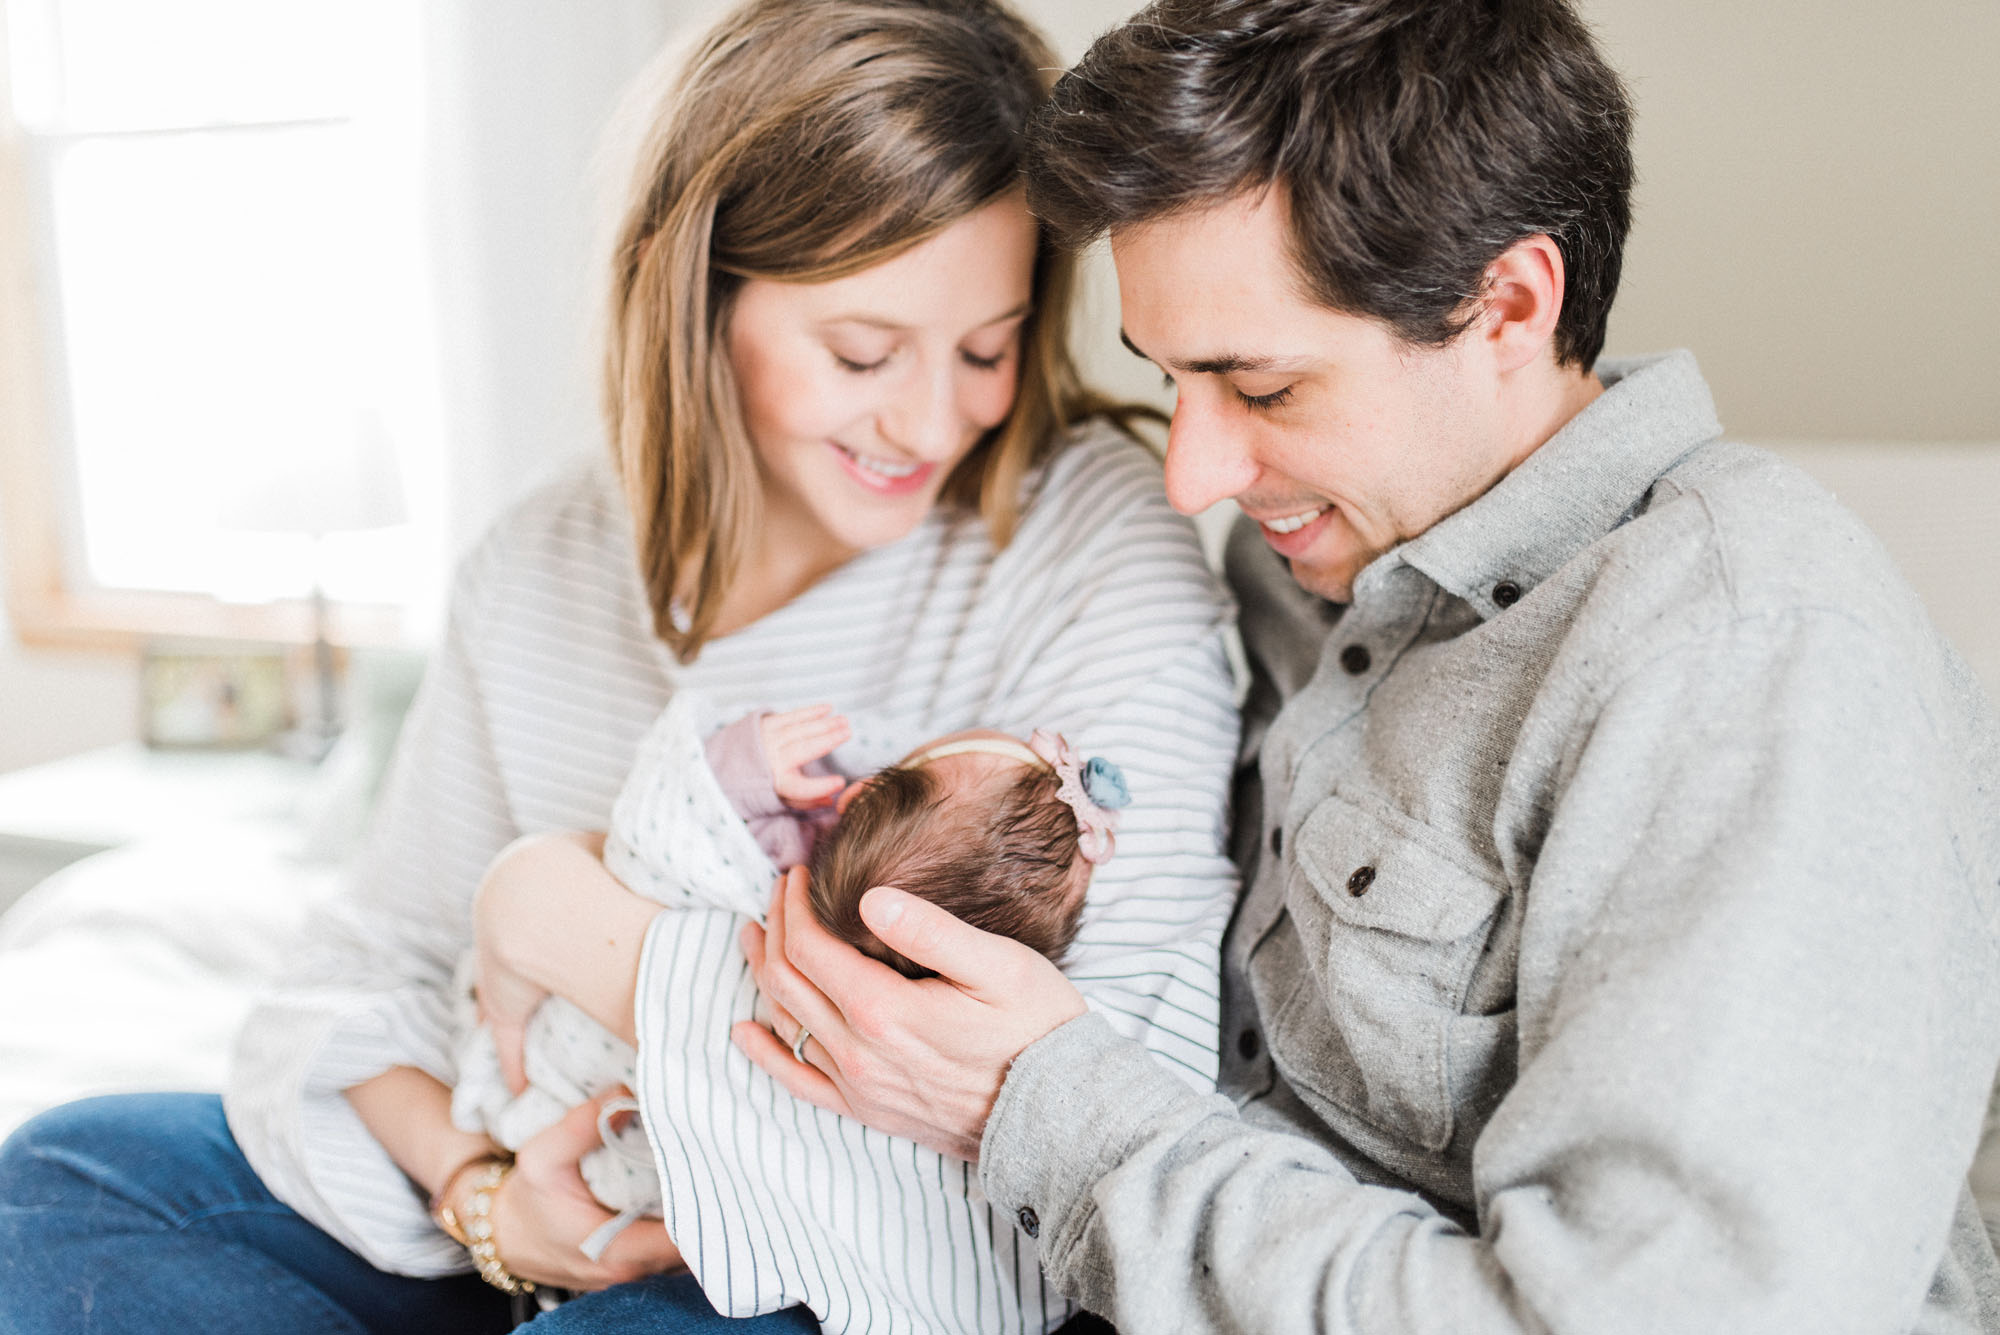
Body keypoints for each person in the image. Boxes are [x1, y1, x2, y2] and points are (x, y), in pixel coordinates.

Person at [730, 0, 2000, 1331]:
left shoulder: (1743, 665)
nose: (1192, 476)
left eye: (1262, 389)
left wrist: (1031, 1104)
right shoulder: (1309, 558)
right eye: (1170, 383)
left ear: (1508, 305)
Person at [0, 0, 1240, 1329]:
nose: (934, 419)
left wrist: (564, 920)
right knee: (69, 1182)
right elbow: (367, 964)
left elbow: (1103, 1084)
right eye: (862, 351)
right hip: (551, 1190)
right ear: (696, 295)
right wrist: (484, 1196)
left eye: (987, 347)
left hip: (843, 1255)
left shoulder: (1092, 542)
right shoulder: (538, 563)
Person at [446, 699, 1125, 1256]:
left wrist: (741, 767)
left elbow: (661, 828)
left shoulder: (766, 854)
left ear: (856, 792)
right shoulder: (936, 1051)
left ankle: (501, 1054)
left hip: (565, 1063)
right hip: (638, 1172)